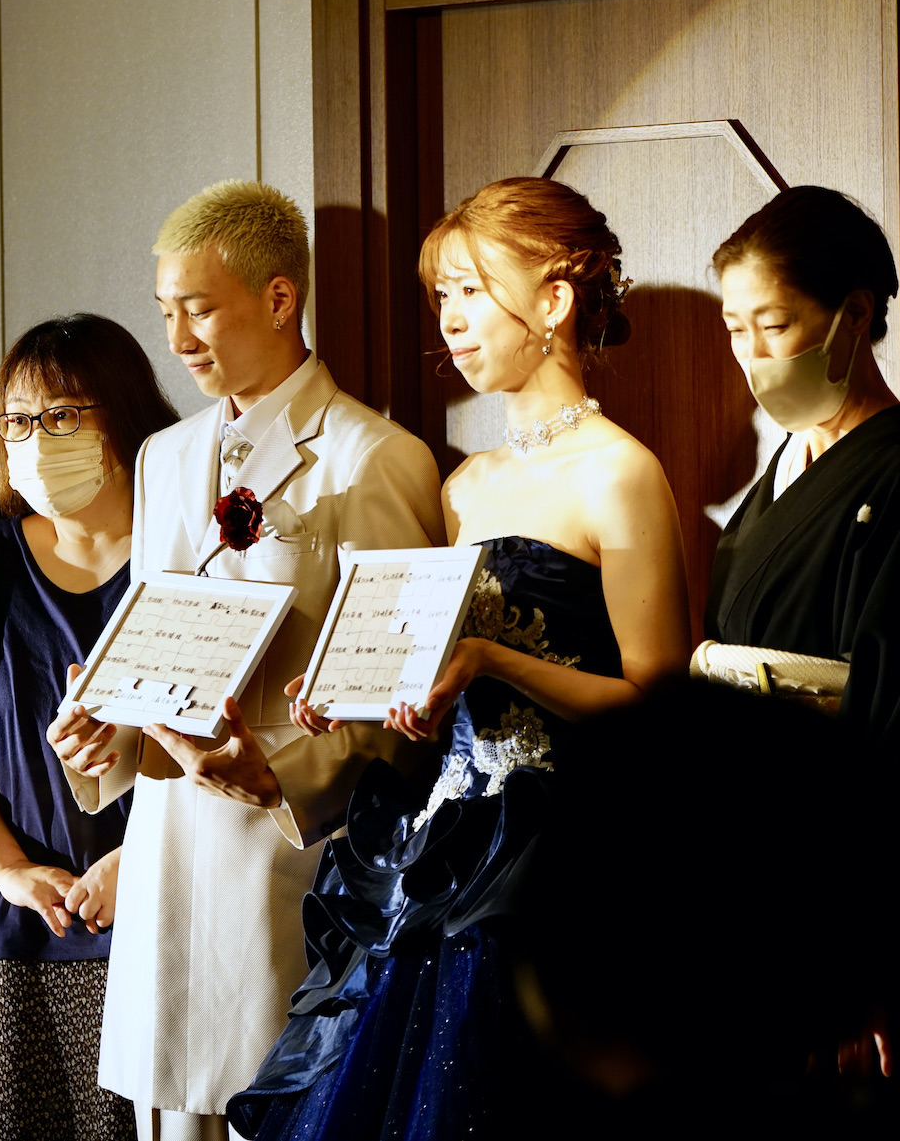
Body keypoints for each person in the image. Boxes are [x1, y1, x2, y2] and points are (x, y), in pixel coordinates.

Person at [229, 176, 693, 1138]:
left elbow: (660, 699)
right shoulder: (465, 485)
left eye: (472, 291)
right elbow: (438, 671)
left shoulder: (620, 473)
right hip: (443, 834)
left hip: (555, 850)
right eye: (442, 295)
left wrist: (491, 659)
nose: (449, 319)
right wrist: (363, 689)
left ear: (554, 301)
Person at [45, 180, 444, 1141]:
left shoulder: (373, 457)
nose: (178, 338)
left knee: (283, 1111)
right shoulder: (164, 457)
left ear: (278, 297)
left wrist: (281, 773)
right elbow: (154, 644)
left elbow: (401, 696)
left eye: (199, 308)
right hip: (164, 862)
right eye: (165, 311)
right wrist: (107, 727)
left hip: (284, 866)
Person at [704, 186, 900, 1130]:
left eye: (775, 325)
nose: (753, 354)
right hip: (751, 880)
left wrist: (858, 960)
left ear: (854, 316)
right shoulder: (780, 482)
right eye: (735, 328)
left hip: (847, 908)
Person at [0, 315, 178, 1141]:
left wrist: (142, 859)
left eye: (63, 415)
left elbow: (239, 742)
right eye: (17, 419)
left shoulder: (187, 556)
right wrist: (10, 869)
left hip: (166, 919)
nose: (36, 438)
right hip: (15, 936)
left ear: (125, 412)